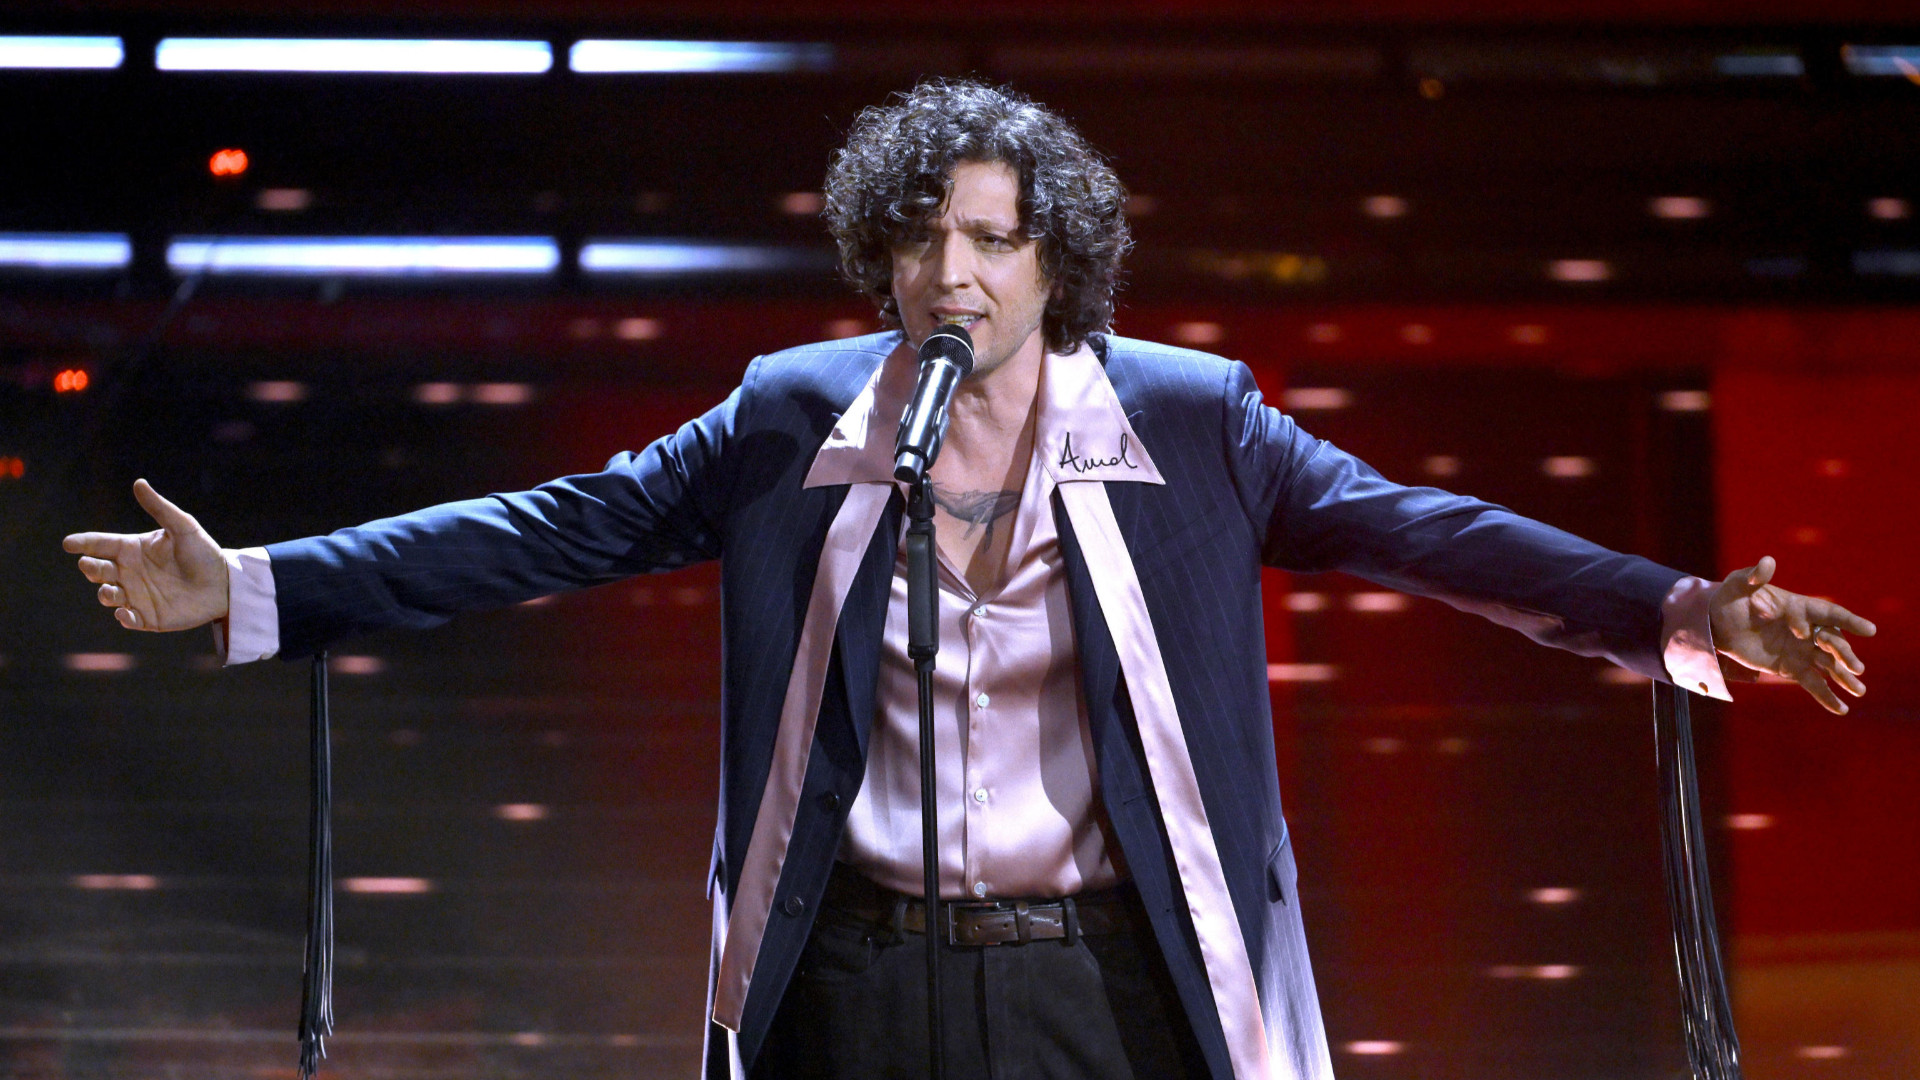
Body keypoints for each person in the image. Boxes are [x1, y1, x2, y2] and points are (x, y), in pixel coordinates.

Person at [64, 80, 1873, 1080]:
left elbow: (1424, 529)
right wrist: (260, 585)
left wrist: (1681, 610)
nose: (957, 273)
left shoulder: (1191, 424)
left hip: (1113, 986)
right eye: (927, 237)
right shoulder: (797, 420)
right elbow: (559, 523)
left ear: (1053, 264)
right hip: (857, 980)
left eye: (994, 241)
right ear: (884, 256)